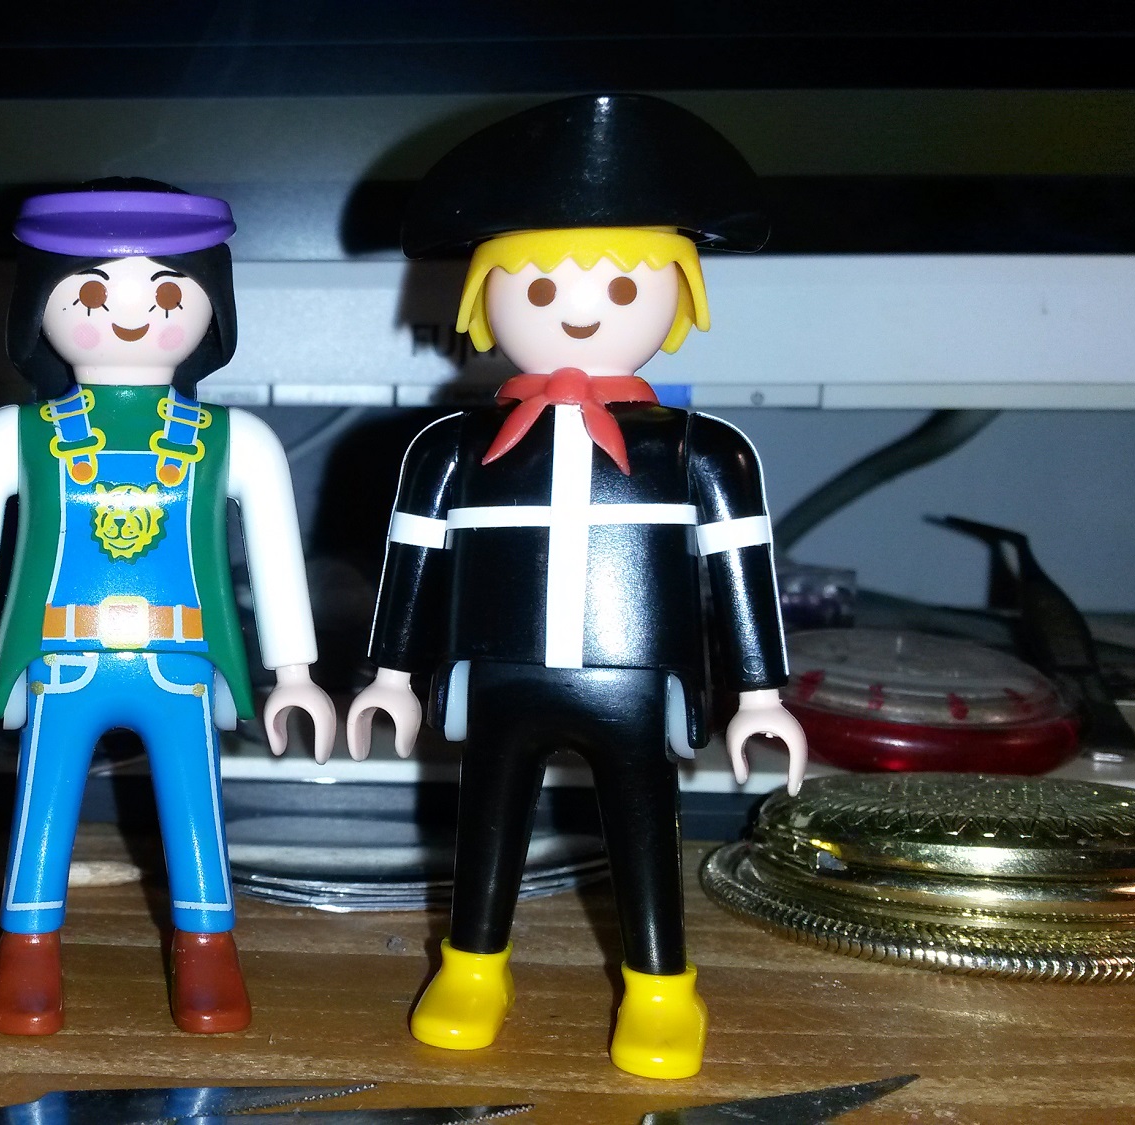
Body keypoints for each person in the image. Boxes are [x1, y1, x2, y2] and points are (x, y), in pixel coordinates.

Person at [345, 94, 807, 1079]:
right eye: (543, 287)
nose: (581, 309)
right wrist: (388, 674)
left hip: (633, 678)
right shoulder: (451, 448)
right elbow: (413, 559)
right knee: (485, 824)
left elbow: (741, 568)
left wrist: (762, 692)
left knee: (643, 831)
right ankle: (472, 967)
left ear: (679, 297)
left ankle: (660, 986)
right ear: (484, 300)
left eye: (622, 285)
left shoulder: (701, 450)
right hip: (498, 671)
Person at [0, 180, 335, 1035]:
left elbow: (277, 559)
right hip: (62, 659)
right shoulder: (15, 436)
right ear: (41, 306)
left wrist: (295, 672)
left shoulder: (232, 440)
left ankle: (208, 948)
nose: (133, 315)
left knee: (194, 808)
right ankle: (27, 948)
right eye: (94, 294)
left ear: (211, 308)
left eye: (168, 294)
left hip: (181, 660)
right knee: (41, 806)